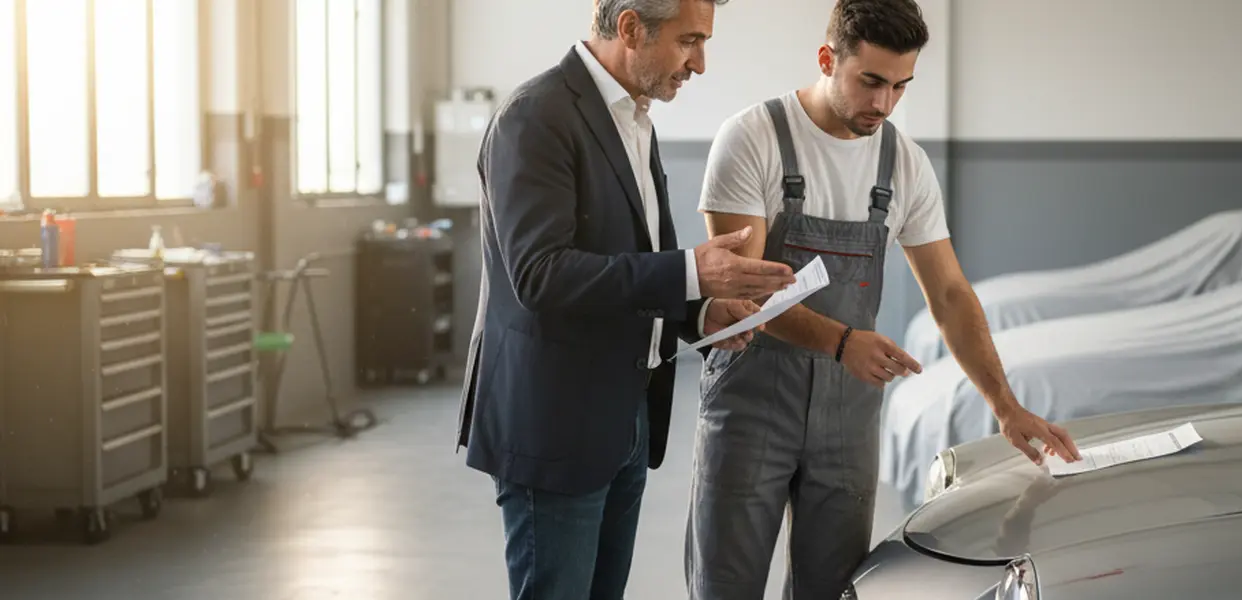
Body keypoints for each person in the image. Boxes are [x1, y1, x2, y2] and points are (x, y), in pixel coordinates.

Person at [683, 1, 1082, 598]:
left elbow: (949, 293)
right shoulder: (753, 138)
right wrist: (842, 342)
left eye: (900, 86)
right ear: (828, 59)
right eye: (870, 81)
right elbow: (744, 295)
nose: (884, 103)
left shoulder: (905, 165)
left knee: (834, 587)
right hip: (752, 400)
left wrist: (1005, 405)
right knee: (726, 584)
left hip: (848, 416)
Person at [454, 1, 797, 599]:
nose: (700, 63)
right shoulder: (534, 116)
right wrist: (691, 271)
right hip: (555, 424)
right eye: (689, 40)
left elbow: (631, 256)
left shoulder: (635, 118)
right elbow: (540, 276)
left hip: (623, 417)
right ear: (631, 27)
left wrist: (700, 313)